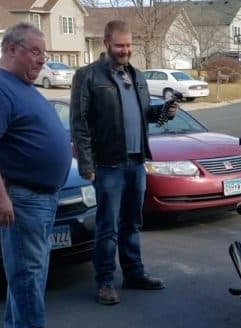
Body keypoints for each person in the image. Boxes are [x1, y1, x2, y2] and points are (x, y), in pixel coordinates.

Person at [0, 22, 68, 328]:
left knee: (30, 269)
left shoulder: (18, 84)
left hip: (40, 196)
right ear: (11, 48)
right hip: (22, 197)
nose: (42, 60)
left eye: (44, 53)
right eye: (35, 51)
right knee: (26, 271)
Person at [70, 20, 177, 305]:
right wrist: (86, 164)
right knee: (108, 226)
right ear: (106, 43)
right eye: (120, 45)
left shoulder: (138, 76)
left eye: (129, 45)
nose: (125, 50)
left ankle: (134, 273)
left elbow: (145, 115)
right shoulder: (88, 76)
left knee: (133, 222)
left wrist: (165, 112)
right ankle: (105, 281)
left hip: (136, 161)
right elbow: (78, 122)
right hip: (108, 164)